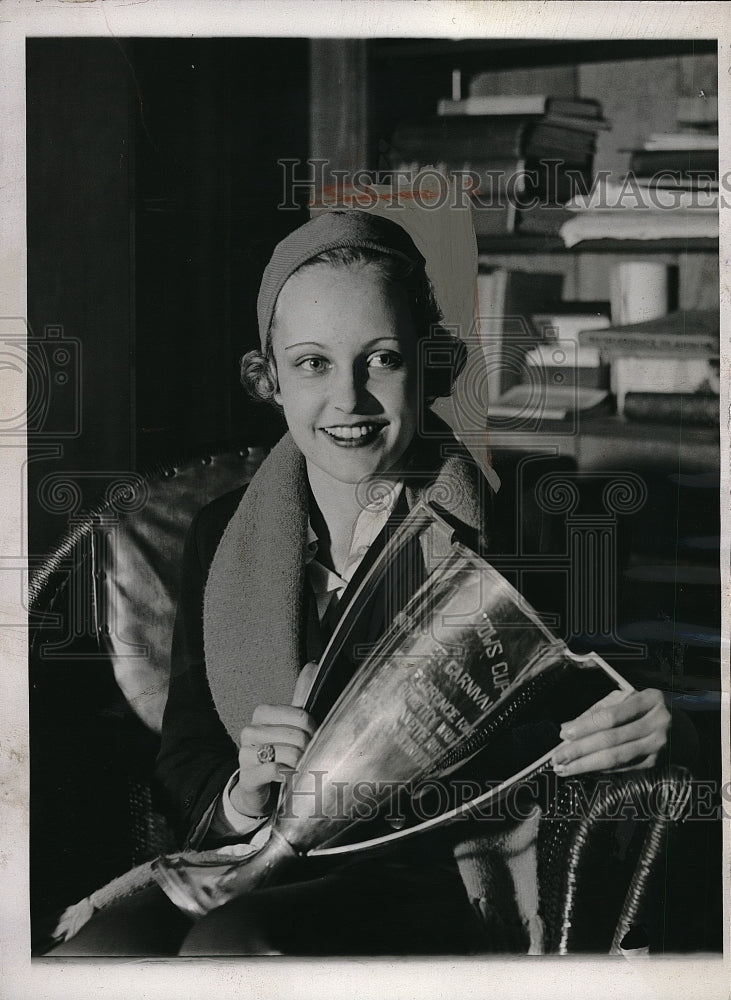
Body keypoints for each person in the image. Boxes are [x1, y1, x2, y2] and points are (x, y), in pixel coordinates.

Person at [49, 210, 672, 956]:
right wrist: (244, 790)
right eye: (313, 363)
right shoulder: (218, 533)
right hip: (255, 856)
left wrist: (655, 727)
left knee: (231, 946)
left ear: (429, 362)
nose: (349, 399)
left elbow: (620, 693)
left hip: (436, 872)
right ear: (268, 378)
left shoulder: (526, 524)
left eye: (380, 360)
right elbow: (185, 758)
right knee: (96, 955)